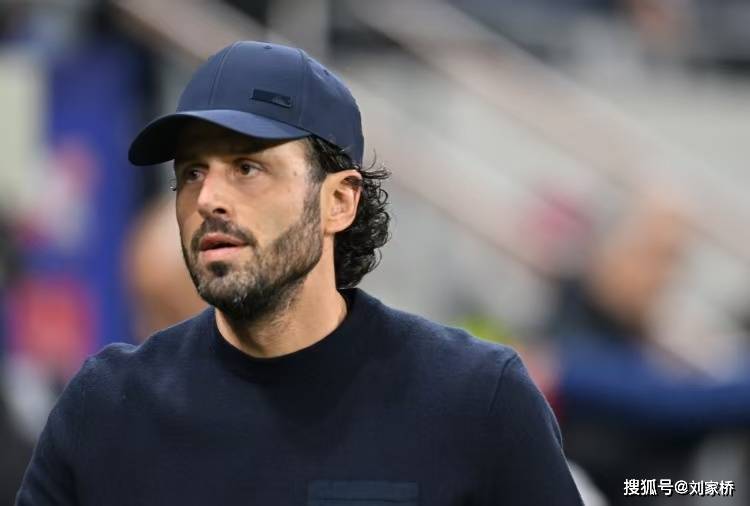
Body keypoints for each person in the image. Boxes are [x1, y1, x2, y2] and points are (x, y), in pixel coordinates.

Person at [16, 41, 582, 505]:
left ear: (339, 201)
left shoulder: (475, 398)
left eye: (247, 167)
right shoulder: (107, 408)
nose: (208, 198)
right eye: (192, 172)